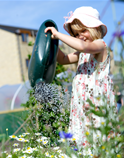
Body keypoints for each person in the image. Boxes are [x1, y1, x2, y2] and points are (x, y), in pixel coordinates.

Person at [45, 6, 116, 148]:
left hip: (97, 102)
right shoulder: (81, 54)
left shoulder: (99, 45)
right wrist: (53, 43)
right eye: (76, 34)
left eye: (83, 30)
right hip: (81, 103)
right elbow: (64, 59)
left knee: (99, 137)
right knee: (84, 138)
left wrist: (58, 34)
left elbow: (84, 46)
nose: (80, 36)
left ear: (95, 28)